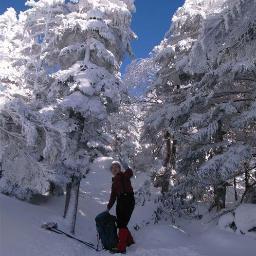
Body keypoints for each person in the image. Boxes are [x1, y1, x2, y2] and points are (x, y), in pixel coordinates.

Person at [107, 161, 135, 254]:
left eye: (116, 167)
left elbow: (130, 173)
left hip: (128, 199)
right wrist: (108, 207)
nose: (114, 169)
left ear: (120, 169)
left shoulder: (124, 175)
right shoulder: (114, 182)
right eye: (112, 168)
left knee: (122, 224)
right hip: (120, 201)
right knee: (121, 223)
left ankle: (121, 247)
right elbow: (113, 196)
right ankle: (130, 241)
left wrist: (127, 167)